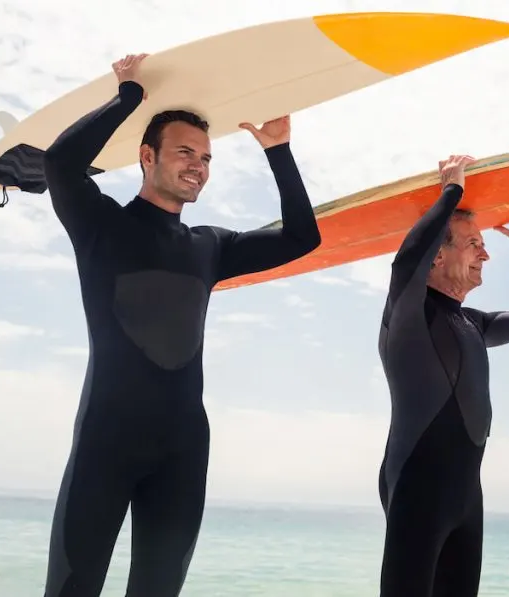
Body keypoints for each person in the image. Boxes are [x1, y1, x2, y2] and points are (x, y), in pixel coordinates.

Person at [40, 53, 321, 596]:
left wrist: (279, 151)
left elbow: (302, 239)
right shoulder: (101, 226)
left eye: (207, 158)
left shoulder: (210, 246)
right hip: (106, 444)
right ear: (147, 157)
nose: (198, 166)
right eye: (185, 152)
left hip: (183, 449)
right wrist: (127, 98)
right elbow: (60, 164)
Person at [376, 153, 509, 596]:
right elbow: (404, 266)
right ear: (436, 257)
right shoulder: (409, 318)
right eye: (473, 243)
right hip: (418, 486)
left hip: (466, 498)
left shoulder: (471, 323)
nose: (486, 253)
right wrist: (451, 192)